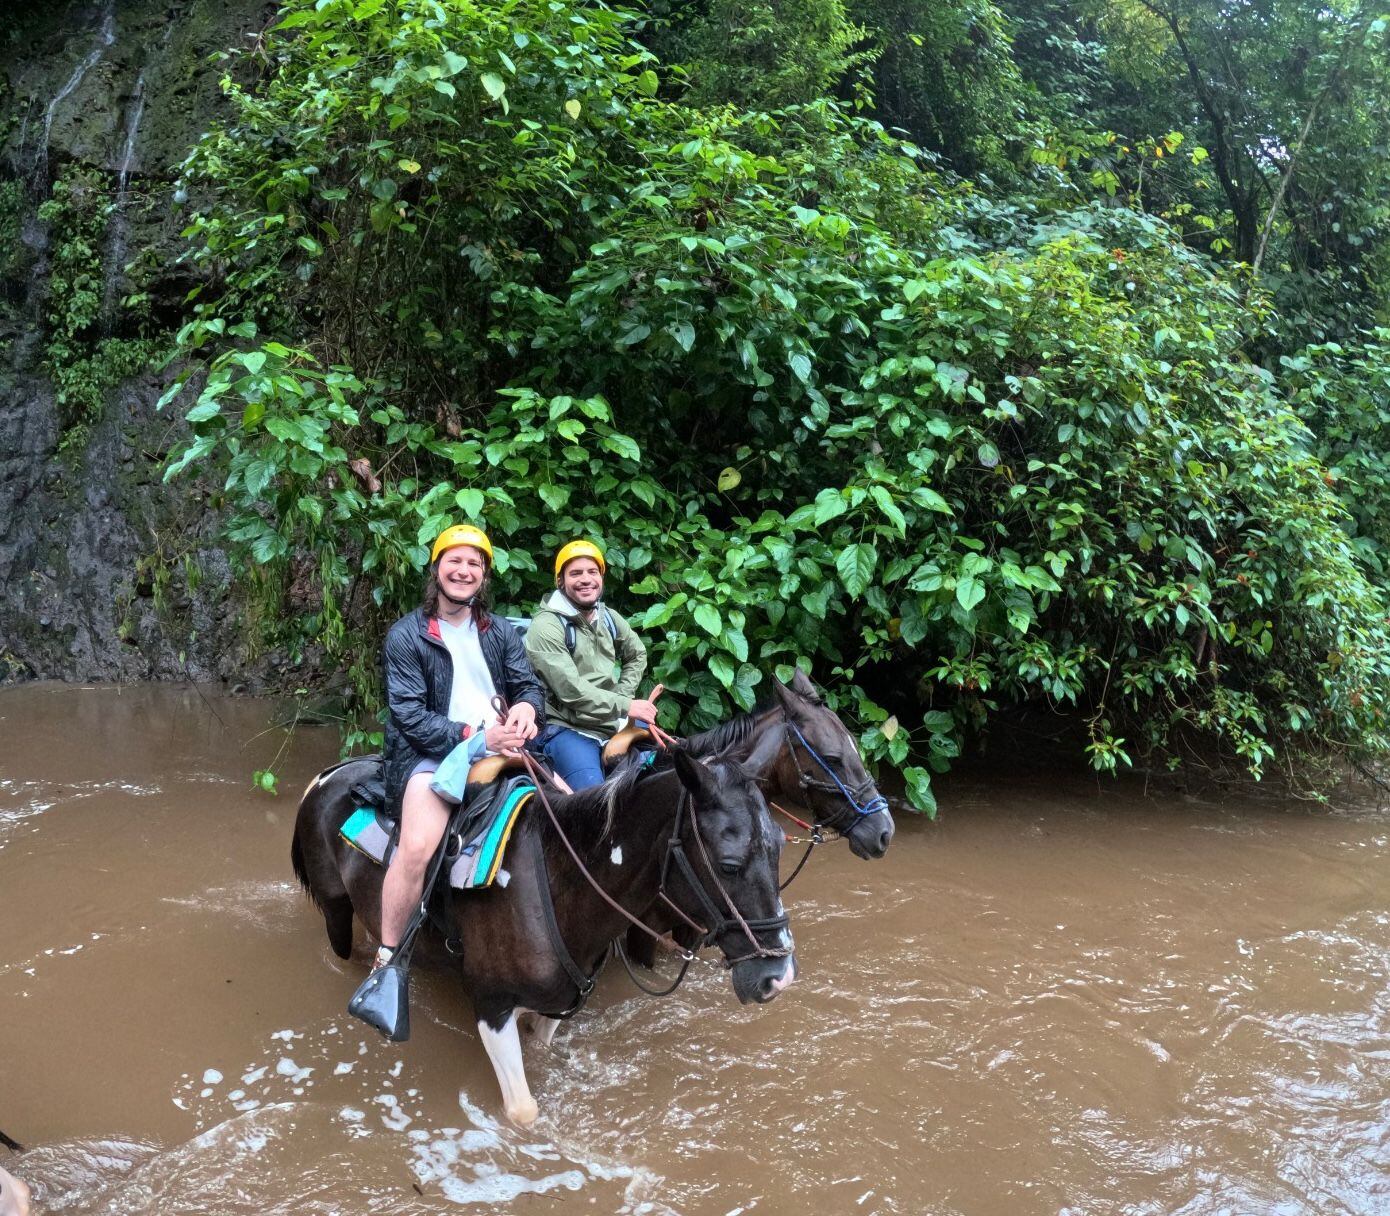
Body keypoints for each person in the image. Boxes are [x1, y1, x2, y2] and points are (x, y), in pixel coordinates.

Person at [376, 523, 545, 969]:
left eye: (474, 563)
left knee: (569, 811)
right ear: (436, 568)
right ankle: (387, 957)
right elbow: (410, 717)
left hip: (503, 746)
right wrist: (475, 737)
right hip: (433, 754)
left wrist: (527, 708)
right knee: (416, 848)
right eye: (455, 560)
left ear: (484, 576)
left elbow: (527, 684)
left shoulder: (500, 631)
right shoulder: (406, 636)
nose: (464, 570)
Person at [525, 540, 656, 790]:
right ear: (560, 580)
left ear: (601, 577)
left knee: (668, 772)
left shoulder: (607, 617)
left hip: (613, 720)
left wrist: (620, 697)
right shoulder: (546, 626)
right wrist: (626, 705)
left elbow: (637, 653)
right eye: (575, 573)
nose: (586, 579)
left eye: (592, 572)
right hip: (567, 728)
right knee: (592, 801)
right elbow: (570, 691)